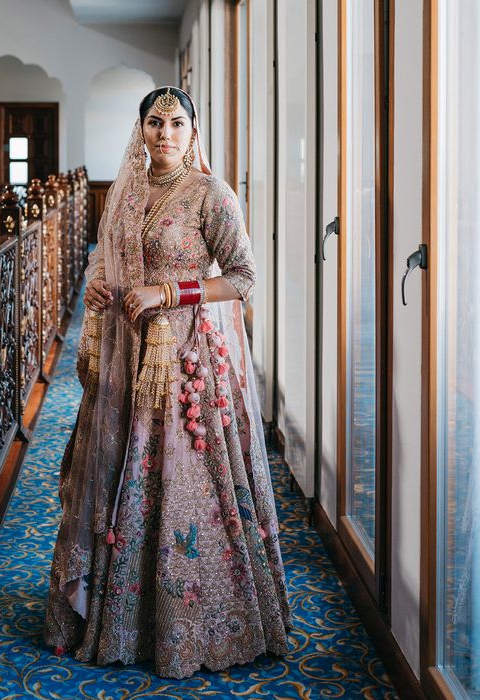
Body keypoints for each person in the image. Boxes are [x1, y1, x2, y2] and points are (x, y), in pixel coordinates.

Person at [44, 86, 290, 679]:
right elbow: (107, 260)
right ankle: (120, 617)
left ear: (193, 132)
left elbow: (244, 276)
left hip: (186, 361)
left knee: (186, 483)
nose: (164, 133)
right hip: (128, 354)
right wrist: (102, 286)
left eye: (177, 123)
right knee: (118, 471)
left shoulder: (211, 195)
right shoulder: (125, 195)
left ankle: (194, 621)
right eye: (154, 123)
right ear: (141, 131)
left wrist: (168, 292)